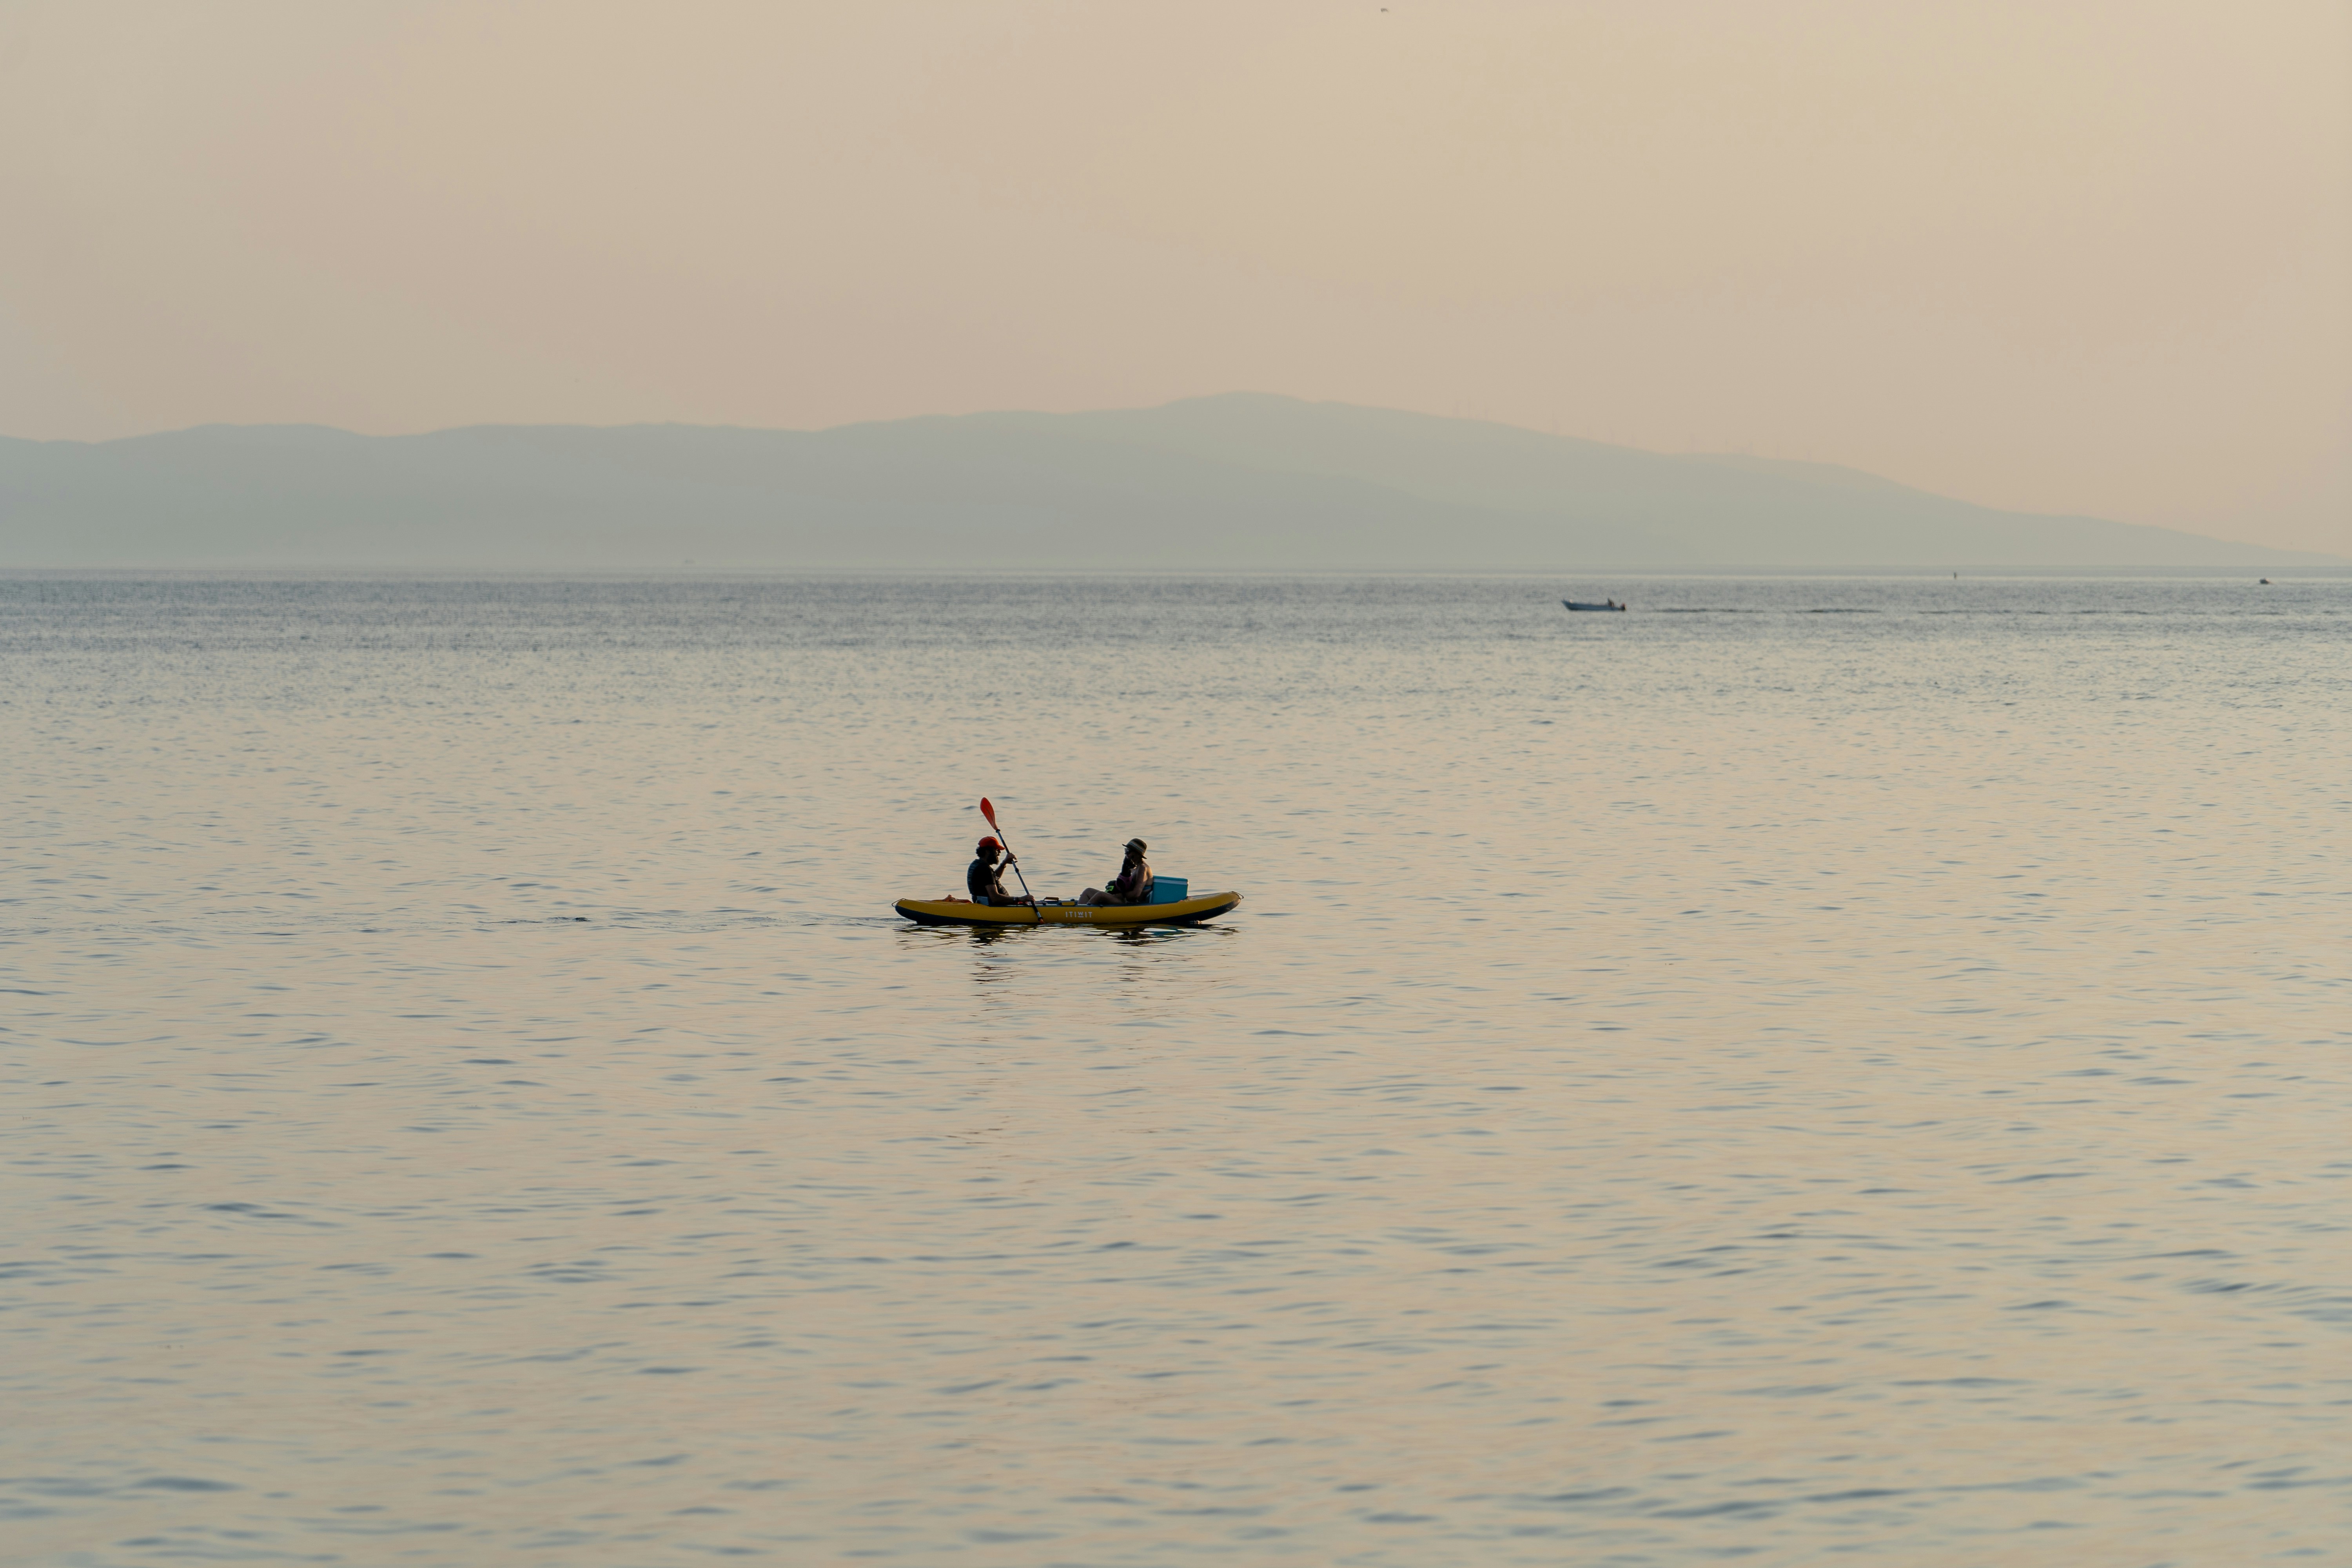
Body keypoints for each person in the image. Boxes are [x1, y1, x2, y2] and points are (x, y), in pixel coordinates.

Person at [1079, 838, 1153, 907]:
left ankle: (1084, 912)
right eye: (1126, 850)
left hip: (1129, 903)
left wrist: (1118, 892)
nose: (1126, 854)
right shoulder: (1134, 868)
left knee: (1100, 895)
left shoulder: (1143, 868)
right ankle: (1078, 911)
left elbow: (1136, 894)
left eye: (1128, 851)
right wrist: (1115, 886)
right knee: (1088, 891)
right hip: (1122, 899)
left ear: (1137, 854)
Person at [966, 837, 1032, 907]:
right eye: (997, 850)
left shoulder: (977, 864)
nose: (999, 853)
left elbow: (993, 878)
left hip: (991, 905)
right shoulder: (984, 869)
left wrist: (1004, 863)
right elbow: (995, 898)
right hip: (994, 907)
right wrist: (1019, 899)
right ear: (987, 851)